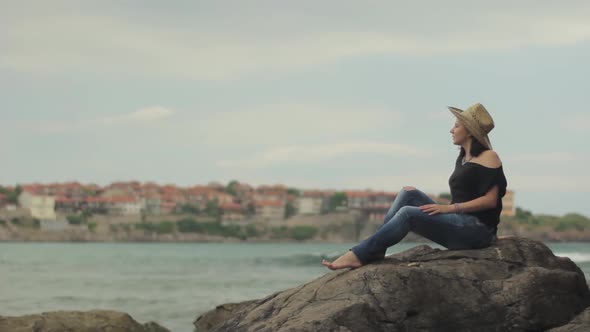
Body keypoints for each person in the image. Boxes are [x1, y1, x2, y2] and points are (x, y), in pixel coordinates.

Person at [322, 103, 508, 270]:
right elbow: (464, 195)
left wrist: (448, 209)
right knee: (408, 193)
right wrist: (449, 211)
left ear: (469, 131)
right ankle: (378, 249)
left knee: (408, 213)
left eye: (456, 126)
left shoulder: (489, 156)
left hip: (475, 231)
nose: (452, 130)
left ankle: (359, 254)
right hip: (461, 222)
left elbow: (491, 201)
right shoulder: (463, 159)